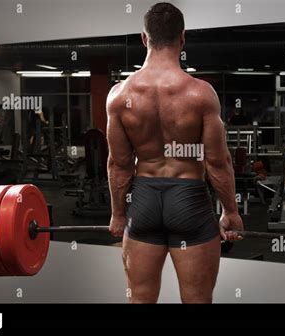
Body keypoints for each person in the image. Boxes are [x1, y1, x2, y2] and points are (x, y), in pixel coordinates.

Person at [106, 2, 243, 303]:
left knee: (140, 299)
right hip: (190, 201)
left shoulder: (120, 96)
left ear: (144, 38)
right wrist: (230, 213)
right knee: (196, 299)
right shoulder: (200, 94)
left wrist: (118, 214)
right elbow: (219, 162)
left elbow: (119, 164)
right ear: (182, 38)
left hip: (144, 202)